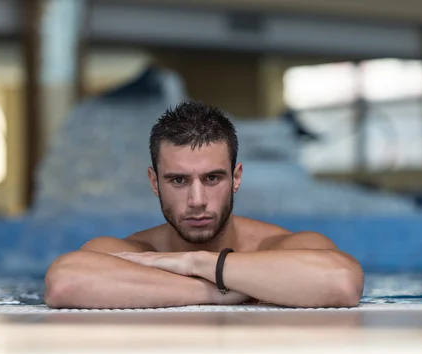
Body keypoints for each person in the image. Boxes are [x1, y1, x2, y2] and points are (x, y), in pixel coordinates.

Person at [44, 101, 364, 309]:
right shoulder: (134, 251)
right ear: (155, 182)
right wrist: (214, 291)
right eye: (179, 181)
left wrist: (196, 264)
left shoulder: (283, 245)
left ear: (236, 178)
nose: (197, 201)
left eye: (212, 179)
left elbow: (341, 281)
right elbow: (65, 281)